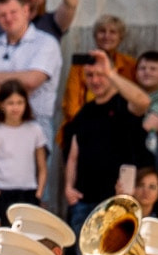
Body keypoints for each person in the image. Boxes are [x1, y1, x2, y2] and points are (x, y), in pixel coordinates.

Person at [60, 54, 153, 228]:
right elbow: (74, 155)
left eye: (100, 75)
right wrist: (68, 187)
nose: (95, 80)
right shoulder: (84, 112)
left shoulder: (124, 104)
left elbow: (144, 101)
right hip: (84, 203)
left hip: (118, 202)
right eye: (90, 75)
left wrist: (110, 73)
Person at [0, 0, 63, 139]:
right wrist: (17, 92)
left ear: (26, 10)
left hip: (32, 130)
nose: (8, 18)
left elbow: (32, 81)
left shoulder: (46, 43)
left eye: (13, 12)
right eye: (2, 15)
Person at [0, 87, 47, 214]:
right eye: (10, 103)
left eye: (20, 102)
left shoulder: (35, 129)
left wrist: (38, 193)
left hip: (28, 193)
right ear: (1, 105)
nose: (15, 108)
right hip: (1, 191)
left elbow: (42, 167)